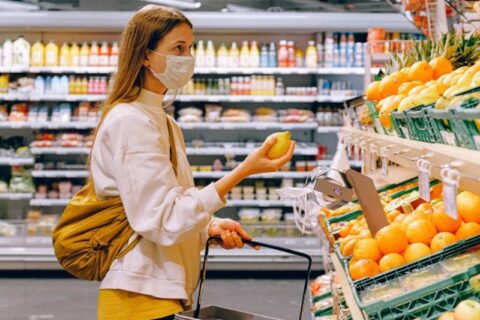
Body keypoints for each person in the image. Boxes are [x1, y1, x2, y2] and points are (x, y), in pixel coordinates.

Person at [92, 4, 295, 320]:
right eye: (178, 48)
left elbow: (167, 209)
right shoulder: (130, 121)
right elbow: (161, 220)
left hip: (164, 292)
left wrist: (207, 228)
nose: (188, 57)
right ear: (145, 55)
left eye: (190, 47)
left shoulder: (164, 122)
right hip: (139, 298)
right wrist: (244, 170)